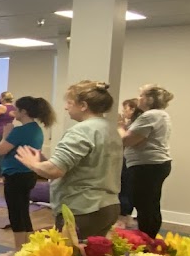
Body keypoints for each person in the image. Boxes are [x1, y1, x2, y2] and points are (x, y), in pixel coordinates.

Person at [15, 81, 122, 239]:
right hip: (108, 206)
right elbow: (88, 165)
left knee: (70, 254)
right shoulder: (109, 128)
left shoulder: (82, 130)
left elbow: (54, 170)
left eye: (69, 103)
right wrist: (44, 161)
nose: (66, 107)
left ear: (83, 105)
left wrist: (33, 164)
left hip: (83, 208)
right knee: (93, 253)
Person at [0, 96, 56, 246]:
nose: (14, 111)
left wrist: (5, 135)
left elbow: (0, 150)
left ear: (23, 112)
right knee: (23, 211)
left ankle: (18, 250)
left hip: (15, 176)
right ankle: (26, 248)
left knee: (16, 214)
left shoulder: (19, 131)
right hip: (29, 175)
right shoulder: (37, 129)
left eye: (16, 109)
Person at [120, 84, 174, 238]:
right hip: (154, 165)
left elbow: (127, 140)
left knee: (145, 206)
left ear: (150, 99)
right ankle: (149, 238)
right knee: (149, 204)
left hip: (147, 166)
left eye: (141, 95)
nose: (138, 98)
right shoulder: (160, 115)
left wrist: (119, 126)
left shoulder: (150, 116)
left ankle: (147, 240)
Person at [117, 98, 143, 229]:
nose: (123, 112)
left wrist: (120, 126)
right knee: (126, 187)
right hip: (128, 159)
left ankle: (123, 216)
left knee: (125, 187)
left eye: (125, 108)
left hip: (129, 160)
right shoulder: (133, 124)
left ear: (133, 109)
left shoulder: (136, 125)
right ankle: (125, 215)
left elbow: (125, 140)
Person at [0, 92, 17, 180]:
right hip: (9, 134)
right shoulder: (14, 108)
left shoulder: (1, 108)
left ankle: (0, 177)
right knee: (8, 156)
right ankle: (7, 176)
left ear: (3, 98)